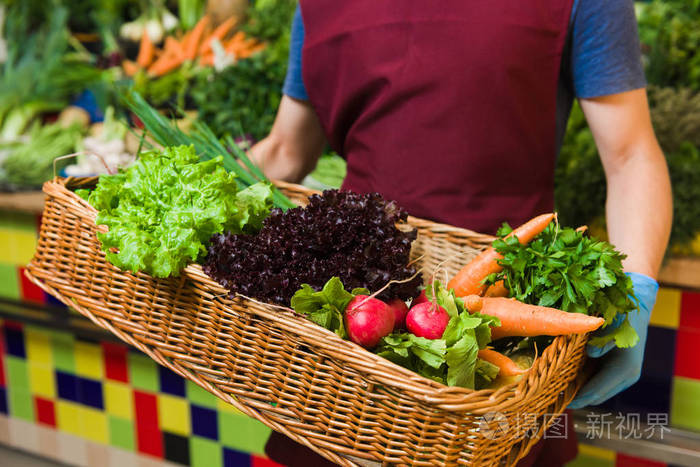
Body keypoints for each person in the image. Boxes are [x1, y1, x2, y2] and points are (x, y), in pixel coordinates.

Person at [250, 1, 673, 465]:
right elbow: (288, 149)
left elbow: (631, 155)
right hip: (352, 338)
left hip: (507, 335)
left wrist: (638, 283)